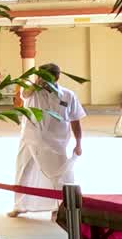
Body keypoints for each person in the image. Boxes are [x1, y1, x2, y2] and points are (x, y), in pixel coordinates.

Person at [8, 63, 85, 217]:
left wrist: (78, 143)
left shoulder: (68, 95)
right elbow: (24, 93)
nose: (43, 80)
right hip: (31, 139)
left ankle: (62, 208)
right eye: (40, 76)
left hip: (56, 143)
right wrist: (36, 83)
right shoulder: (31, 91)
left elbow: (75, 121)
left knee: (60, 175)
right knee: (24, 171)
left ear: (57, 77)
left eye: (47, 77)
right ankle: (20, 205)